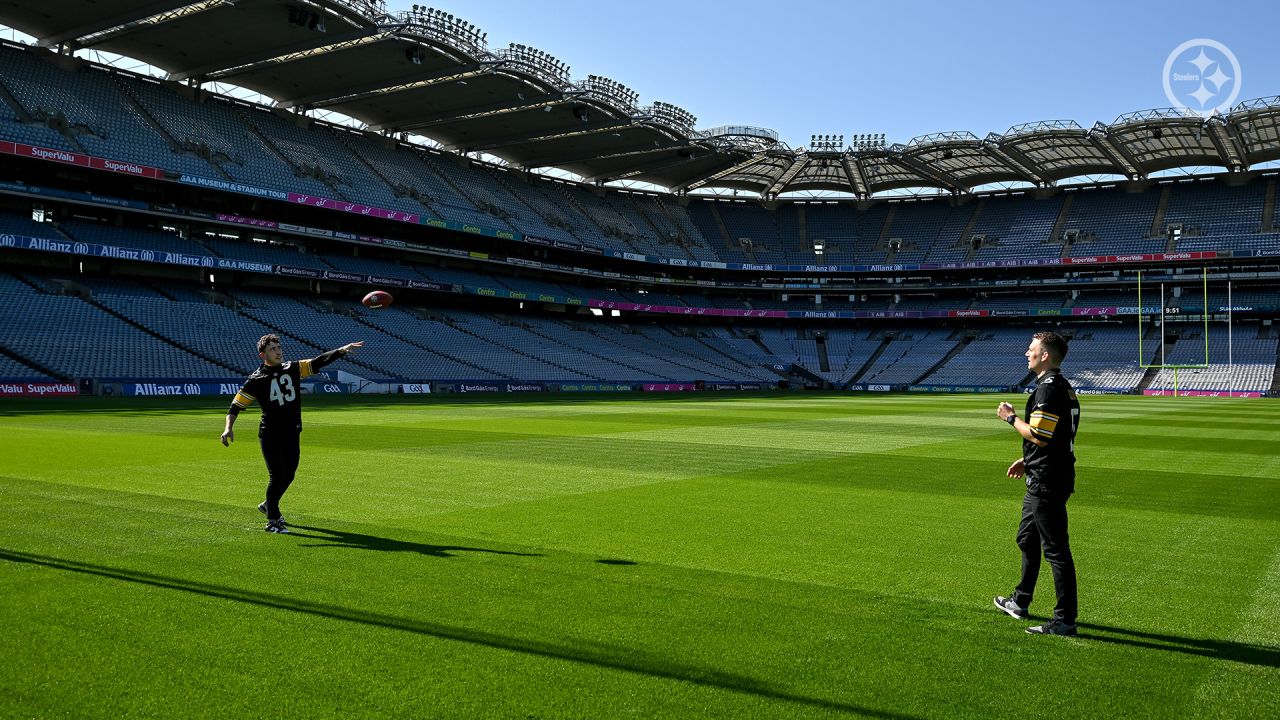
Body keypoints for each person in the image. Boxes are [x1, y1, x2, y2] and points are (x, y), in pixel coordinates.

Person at [221, 334, 364, 533]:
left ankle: (268, 505)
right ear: (262, 355)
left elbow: (318, 361)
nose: (278, 351)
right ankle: (272, 520)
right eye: (272, 349)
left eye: (279, 347)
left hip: (292, 432)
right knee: (277, 476)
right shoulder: (256, 379)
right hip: (270, 434)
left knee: (289, 475)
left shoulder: (293, 368)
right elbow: (236, 406)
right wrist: (228, 428)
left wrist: (341, 350)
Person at [993, 331, 1081, 636]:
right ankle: (1020, 601)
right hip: (1043, 473)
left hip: (1048, 480)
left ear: (1045, 355)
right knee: (1026, 539)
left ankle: (1064, 620)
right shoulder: (1062, 387)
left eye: (1031, 349)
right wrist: (1027, 460)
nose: (1026, 353)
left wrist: (1010, 418)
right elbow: (1055, 438)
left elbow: (1040, 435)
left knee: (1056, 550)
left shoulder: (1048, 389)